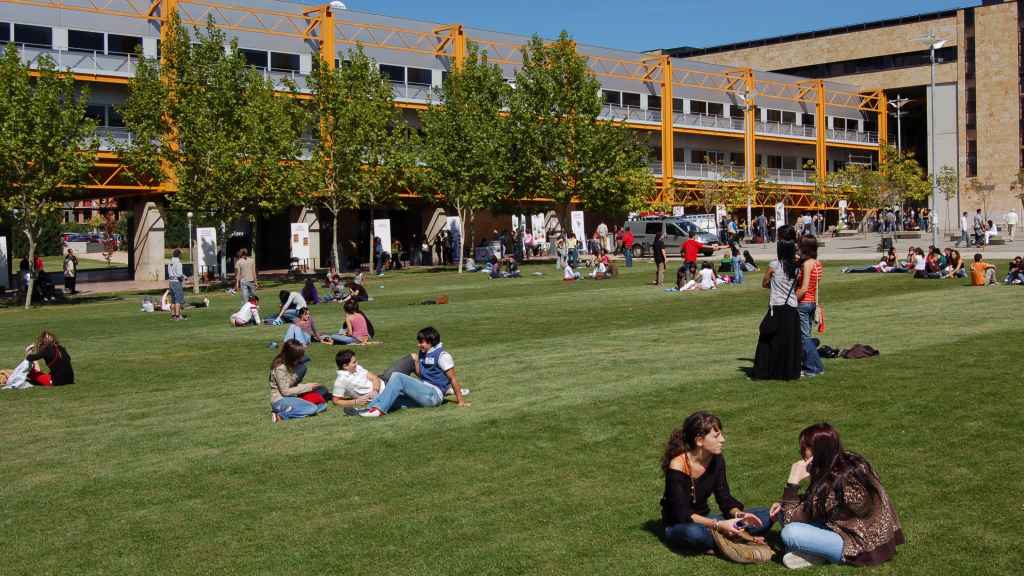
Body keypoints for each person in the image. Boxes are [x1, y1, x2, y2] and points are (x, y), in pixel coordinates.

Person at [772, 423, 904, 569]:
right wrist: (784, 503)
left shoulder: (835, 485)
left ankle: (816, 553)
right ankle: (815, 551)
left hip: (862, 547)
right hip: (876, 536)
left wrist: (792, 483)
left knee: (790, 532)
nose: (801, 452)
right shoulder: (851, 460)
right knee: (781, 511)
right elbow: (813, 503)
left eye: (804, 448)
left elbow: (790, 520)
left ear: (819, 450)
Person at [660, 411, 773, 554]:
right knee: (694, 534)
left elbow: (724, 498)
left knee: (766, 514)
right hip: (681, 525)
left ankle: (723, 538)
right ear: (699, 440)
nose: (723, 439)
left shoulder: (717, 459)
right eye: (716, 436)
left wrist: (739, 515)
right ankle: (731, 537)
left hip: (708, 519)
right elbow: (682, 514)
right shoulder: (677, 465)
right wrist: (719, 525)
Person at [347, 327, 468, 417]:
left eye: (422, 342)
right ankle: (365, 410)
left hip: (433, 396)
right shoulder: (424, 352)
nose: (418, 344)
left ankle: (378, 411)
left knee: (397, 377)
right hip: (424, 393)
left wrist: (461, 401)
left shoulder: (443, 356)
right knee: (391, 397)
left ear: (431, 342)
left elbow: (453, 378)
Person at [752, 225, 801, 380]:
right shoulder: (797, 268)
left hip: (777, 306)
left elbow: (764, 283)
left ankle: (765, 370)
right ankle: (787, 371)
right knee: (789, 343)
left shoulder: (774, 265)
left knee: (768, 341)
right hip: (791, 306)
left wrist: (773, 285)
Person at [269, 339, 328, 422]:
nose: (301, 359)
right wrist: (308, 387)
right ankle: (281, 416)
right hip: (280, 399)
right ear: (292, 357)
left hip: (292, 397)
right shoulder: (280, 369)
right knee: (312, 408)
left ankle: (292, 409)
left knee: (323, 405)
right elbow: (285, 392)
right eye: (299, 357)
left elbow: (292, 384)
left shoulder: (291, 364)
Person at [795, 236, 824, 377]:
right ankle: (810, 364)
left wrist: (792, 300)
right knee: (806, 335)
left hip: (804, 302)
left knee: (804, 337)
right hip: (813, 302)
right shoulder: (817, 263)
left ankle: (813, 367)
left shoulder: (807, 264)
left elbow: (804, 287)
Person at [167, 248, 186, 321]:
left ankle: (173, 316)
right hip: (177, 282)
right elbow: (179, 274)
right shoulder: (178, 263)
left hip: (171, 282)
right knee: (178, 300)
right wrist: (185, 278)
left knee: (173, 300)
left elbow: (170, 273)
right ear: (179, 255)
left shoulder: (170, 262)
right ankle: (178, 316)